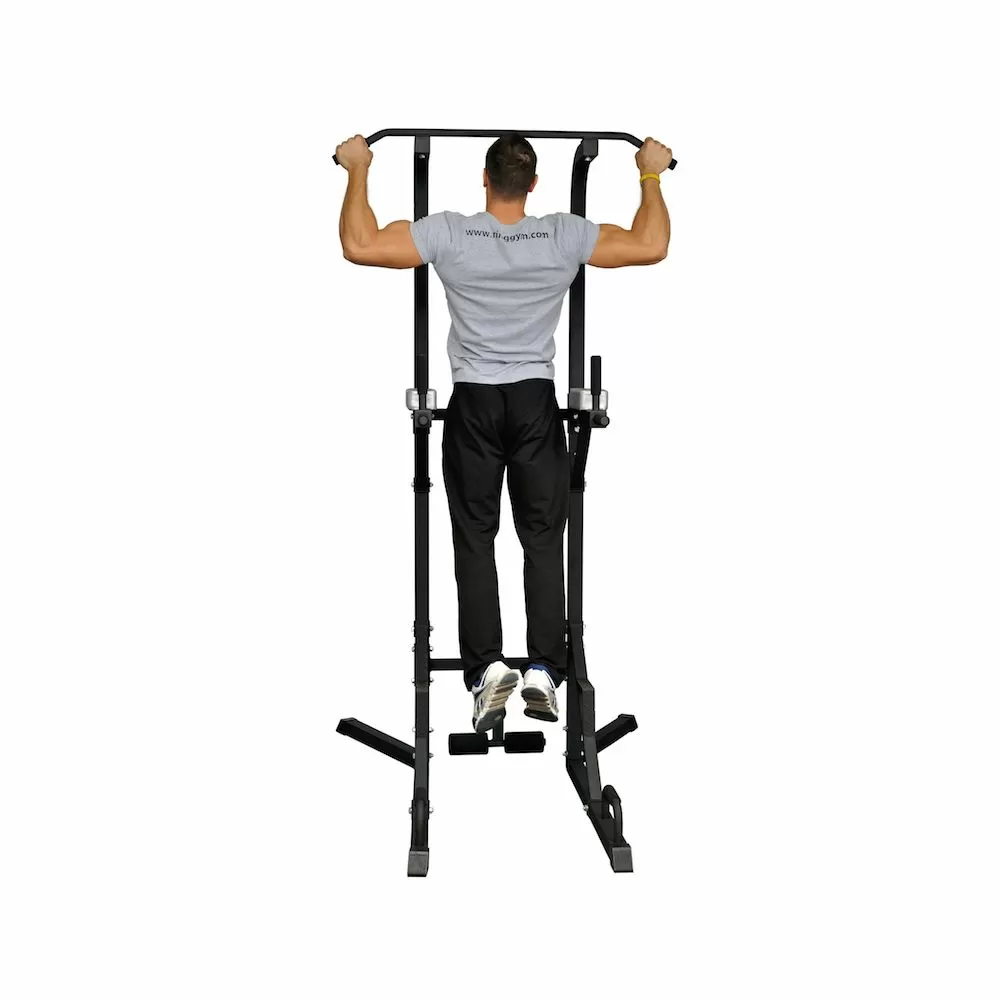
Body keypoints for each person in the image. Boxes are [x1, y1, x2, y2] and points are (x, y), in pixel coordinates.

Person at [336, 132, 672, 733]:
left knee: (476, 539)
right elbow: (651, 244)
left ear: (485, 179)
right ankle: (543, 670)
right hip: (535, 404)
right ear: (534, 184)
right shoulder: (563, 235)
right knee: (543, 540)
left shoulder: (450, 232)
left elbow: (360, 244)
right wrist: (649, 173)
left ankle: (488, 669)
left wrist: (358, 167)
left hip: (474, 404)